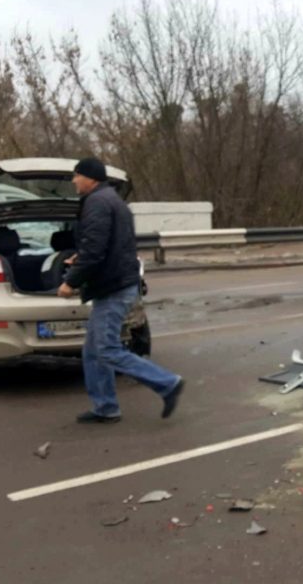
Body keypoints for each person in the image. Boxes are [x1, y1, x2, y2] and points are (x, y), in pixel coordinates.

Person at [58, 157, 183, 423]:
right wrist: (81, 257)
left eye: (77, 175)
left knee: (107, 349)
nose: (74, 181)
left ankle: (167, 382)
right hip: (115, 283)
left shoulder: (97, 203)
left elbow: (95, 250)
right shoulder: (111, 200)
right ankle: (105, 407)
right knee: (93, 351)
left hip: (113, 287)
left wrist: (71, 282)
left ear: (90, 177)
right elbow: (111, 245)